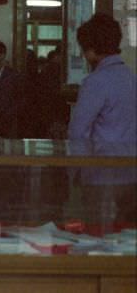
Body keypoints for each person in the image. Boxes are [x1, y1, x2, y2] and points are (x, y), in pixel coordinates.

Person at [68, 14, 137, 227]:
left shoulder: (95, 82)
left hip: (101, 175)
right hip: (132, 173)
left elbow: (78, 132)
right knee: (126, 236)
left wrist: (74, 171)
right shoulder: (131, 78)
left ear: (90, 50)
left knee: (98, 235)